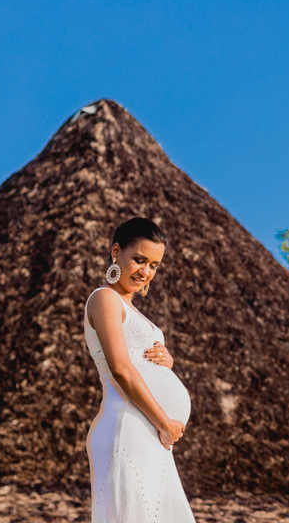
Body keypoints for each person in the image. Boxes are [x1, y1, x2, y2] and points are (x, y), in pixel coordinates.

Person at [83, 217, 195, 523]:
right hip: (128, 427)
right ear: (116, 252)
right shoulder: (105, 298)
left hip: (146, 431)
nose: (146, 272)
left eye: (154, 265)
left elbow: (136, 358)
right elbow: (120, 368)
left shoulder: (128, 306)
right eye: (139, 260)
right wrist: (164, 423)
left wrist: (166, 364)